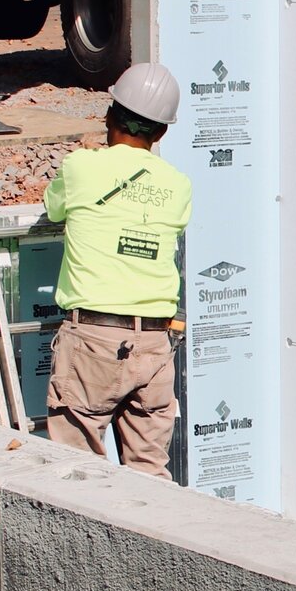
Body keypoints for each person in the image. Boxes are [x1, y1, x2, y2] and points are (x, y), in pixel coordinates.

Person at [41, 62, 193, 477]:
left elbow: (53, 207)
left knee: (78, 475)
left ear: (109, 115)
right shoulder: (178, 184)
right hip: (154, 346)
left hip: (92, 340)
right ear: (161, 132)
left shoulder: (80, 167)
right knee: (149, 475)